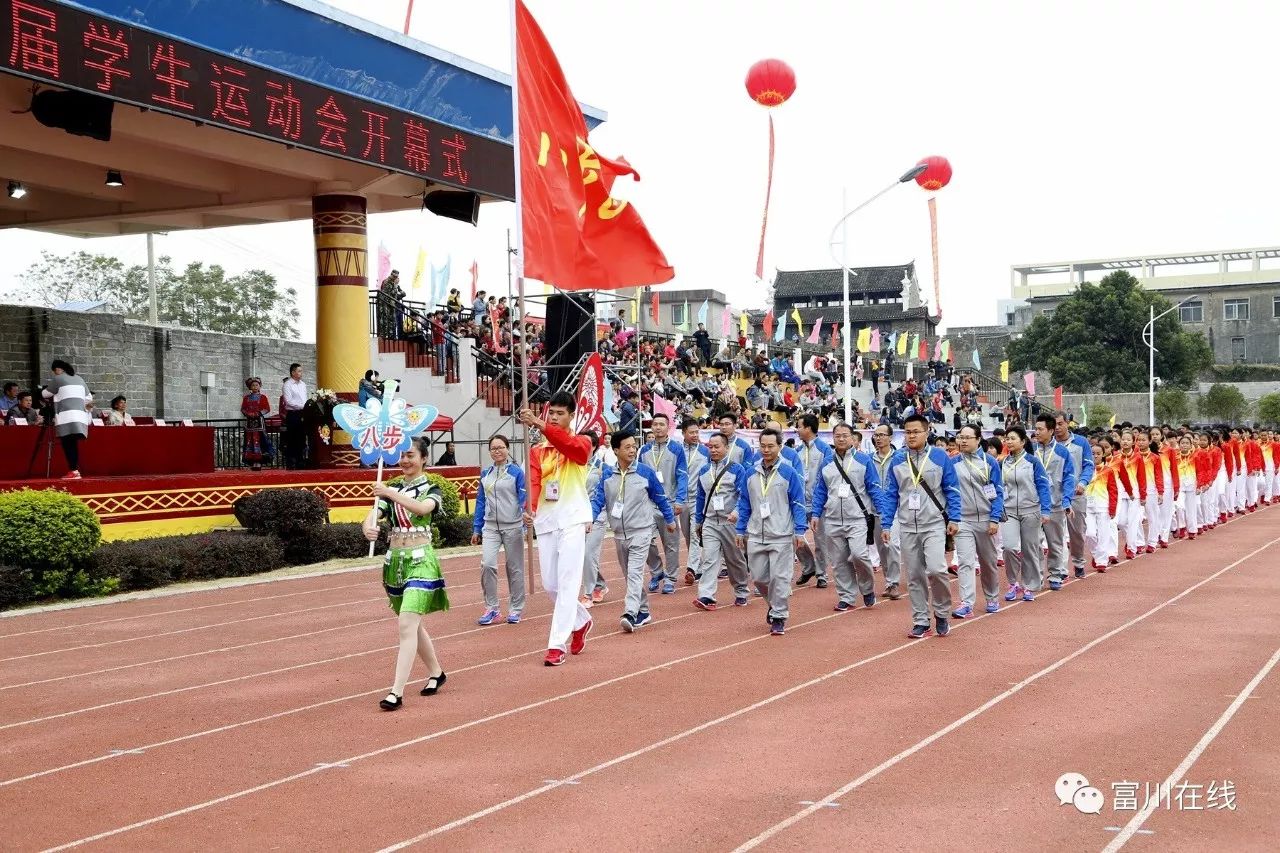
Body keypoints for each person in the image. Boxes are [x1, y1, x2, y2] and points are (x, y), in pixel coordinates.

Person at [362, 436, 448, 710]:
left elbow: (423, 509)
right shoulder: (393, 488)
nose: (405, 460)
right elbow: (375, 513)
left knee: (407, 624)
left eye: (410, 455)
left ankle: (396, 692)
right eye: (401, 456)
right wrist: (368, 526)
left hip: (422, 561)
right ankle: (436, 672)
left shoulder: (431, 488)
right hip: (395, 563)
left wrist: (387, 492)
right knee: (412, 624)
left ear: (424, 458)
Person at [520, 392, 595, 667]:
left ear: (571, 415)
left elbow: (573, 448)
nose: (554, 418)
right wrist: (531, 509)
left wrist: (541, 425)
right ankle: (581, 620)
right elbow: (535, 481)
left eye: (560, 414)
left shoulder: (583, 441)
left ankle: (556, 644)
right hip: (548, 521)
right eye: (551, 413)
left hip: (574, 518)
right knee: (550, 585)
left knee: (567, 583)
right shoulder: (538, 450)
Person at [881, 414, 961, 638]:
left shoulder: (939, 456)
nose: (911, 435)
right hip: (907, 525)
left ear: (927, 432)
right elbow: (890, 495)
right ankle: (920, 620)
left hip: (933, 524)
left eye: (916, 431)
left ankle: (942, 612)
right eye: (907, 432)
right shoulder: (897, 459)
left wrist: (954, 518)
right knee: (915, 575)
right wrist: (886, 524)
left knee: (936, 569)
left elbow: (952, 488)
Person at [592, 431, 676, 632]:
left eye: (634, 446)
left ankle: (630, 612)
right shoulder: (607, 475)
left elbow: (660, 497)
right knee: (629, 574)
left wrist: (670, 519)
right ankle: (644, 611)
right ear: (616, 450)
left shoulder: (645, 472)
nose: (632, 450)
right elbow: (598, 500)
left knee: (635, 572)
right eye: (627, 447)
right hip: (619, 534)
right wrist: (589, 520)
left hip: (642, 531)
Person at [735, 428, 806, 636]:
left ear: (779, 447)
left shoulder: (788, 472)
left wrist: (799, 531)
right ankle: (774, 605)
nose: (766, 450)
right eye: (762, 446)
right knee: (758, 578)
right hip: (756, 533)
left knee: (780, 578)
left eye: (770, 446)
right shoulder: (750, 472)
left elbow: (798, 503)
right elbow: (744, 503)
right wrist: (740, 529)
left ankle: (779, 615)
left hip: (781, 534)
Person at [812, 424, 884, 612]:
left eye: (845, 436)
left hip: (858, 518)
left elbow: (874, 488)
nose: (841, 439)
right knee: (839, 561)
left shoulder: (863, 460)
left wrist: (884, 513)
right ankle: (846, 596)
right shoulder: (827, 462)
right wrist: (815, 513)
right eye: (837, 436)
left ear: (853, 438)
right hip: (833, 518)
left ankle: (867, 588)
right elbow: (820, 490)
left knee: (859, 555)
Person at [472, 435, 527, 626]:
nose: (497, 451)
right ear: (489, 451)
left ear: (508, 449)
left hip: (512, 525)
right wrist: (476, 528)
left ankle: (516, 609)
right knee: (487, 565)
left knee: (515, 569)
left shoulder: (516, 473)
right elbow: (481, 501)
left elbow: (523, 496)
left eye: (501, 447)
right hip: (490, 527)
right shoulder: (485, 474)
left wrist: (525, 514)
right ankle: (492, 608)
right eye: (493, 448)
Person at [693, 432, 751, 610]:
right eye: (710, 447)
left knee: (735, 560)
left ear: (726, 448)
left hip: (730, 522)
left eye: (717, 446)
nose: (713, 450)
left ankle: (741, 590)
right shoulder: (703, 471)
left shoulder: (737, 469)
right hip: (710, 521)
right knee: (709, 559)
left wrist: (736, 512)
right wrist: (698, 520)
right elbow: (701, 497)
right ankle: (706, 596)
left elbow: (744, 495)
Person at [951, 424, 1005, 616]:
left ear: (978, 439)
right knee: (965, 561)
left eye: (967, 437)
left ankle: (991, 597)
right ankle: (966, 603)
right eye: (960, 437)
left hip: (985, 518)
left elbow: (997, 492)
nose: (962, 441)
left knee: (988, 562)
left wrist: (994, 518)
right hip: (963, 520)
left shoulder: (990, 462)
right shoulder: (953, 462)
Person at [1001, 426, 1053, 602]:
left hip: (1030, 510)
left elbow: (1043, 487)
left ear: (1023, 442)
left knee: (1029, 549)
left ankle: (1029, 585)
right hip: (1008, 511)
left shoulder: (1033, 462)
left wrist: (1045, 510)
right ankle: (1012, 583)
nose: (1009, 441)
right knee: (1009, 547)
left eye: (1013, 438)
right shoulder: (1002, 463)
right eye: (1007, 438)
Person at [640, 413, 688, 595]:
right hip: (649, 504)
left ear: (668, 427)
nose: (658, 427)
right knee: (645, 540)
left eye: (662, 424)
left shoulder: (676, 449)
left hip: (670, 503)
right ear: (651, 427)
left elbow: (682, 475)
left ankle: (671, 578)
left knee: (671, 544)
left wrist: (680, 500)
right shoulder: (644, 451)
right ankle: (657, 571)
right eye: (655, 424)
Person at [1032, 413, 1077, 591]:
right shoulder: (1030, 450)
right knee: (1033, 542)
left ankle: (1056, 574)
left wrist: (1066, 501)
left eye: (1040, 429)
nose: (1037, 432)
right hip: (1033, 504)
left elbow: (1068, 478)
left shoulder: (1062, 451)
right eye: (1035, 429)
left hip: (1055, 504)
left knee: (1055, 542)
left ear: (1051, 431)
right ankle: (1036, 575)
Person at [793, 414, 834, 588]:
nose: (797, 429)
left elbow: (827, 476)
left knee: (821, 540)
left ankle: (822, 573)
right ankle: (809, 566)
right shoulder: (797, 451)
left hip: (819, 502)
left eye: (799, 426)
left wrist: (821, 497)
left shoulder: (824, 449)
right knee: (794, 536)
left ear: (808, 428)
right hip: (800, 502)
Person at [1053, 414, 1093, 579]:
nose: (1057, 427)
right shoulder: (1049, 445)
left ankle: (1078, 561)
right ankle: (1061, 569)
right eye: (1054, 425)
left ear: (1067, 423)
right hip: (1055, 495)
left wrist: (1083, 482)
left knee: (1077, 532)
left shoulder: (1081, 442)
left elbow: (1089, 465)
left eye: (1060, 424)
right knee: (1057, 534)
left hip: (1076, 494)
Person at [868, 424, 903, 601]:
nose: (879, 438)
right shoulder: (868, 459)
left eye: (882, 435)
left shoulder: (899, 458)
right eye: (876, 435)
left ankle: (894, 582)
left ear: (890, 438)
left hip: (895, 510)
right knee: (882, 548)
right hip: (874, 511)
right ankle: (889, 581)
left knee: (893, 545)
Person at [42, 359, 92, 480]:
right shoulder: (79, 379)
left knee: (68, 444)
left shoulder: (58, 379)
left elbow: (44, 394)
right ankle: (75, 470)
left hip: (66, 416)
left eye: (54, 371)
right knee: (72, 443)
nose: (55, 374)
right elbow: (89, 397)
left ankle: (73, 471)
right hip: (80, 417)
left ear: (58, 369)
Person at [581, 433, 613, 605]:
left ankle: (589, 593)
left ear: (593, 447)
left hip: (597, 517)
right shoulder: (571, 466)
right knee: (581, 556)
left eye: (586, 444)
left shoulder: (603, 468)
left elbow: (609, 493)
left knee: (588, 554)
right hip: (576, 517)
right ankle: (599, 584)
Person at [679, 419, 710, 586]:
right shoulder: (677, 450)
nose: (695, 435)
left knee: (695, 533)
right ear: (684, 433)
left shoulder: (705, 451)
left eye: (697, 432)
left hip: (698, 499)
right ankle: (698, 566)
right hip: (681, 499)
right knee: (687, 534)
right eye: (691, 432)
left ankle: (691, 568)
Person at [241, 378, 272, 470]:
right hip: (249, 423)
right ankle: (251, 461)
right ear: (250, 387)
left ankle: (259, 461)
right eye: (253, 385)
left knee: (260, 440)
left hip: (259, 423)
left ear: (259, 386)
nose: (255, 387)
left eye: (256, 385)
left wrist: (258, 413)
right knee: (249, 441)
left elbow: (267, 408)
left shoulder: (263, 397)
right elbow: (243, 408)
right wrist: (247, 413)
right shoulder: (246, 398)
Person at [281, 363, 307, 469]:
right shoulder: (287, 385)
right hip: (293, 414)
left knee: (301, 438)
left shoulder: (303, 384)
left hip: (303, 413)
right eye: (299, 371)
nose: (301, 373)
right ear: (293, 372)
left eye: (301, 371)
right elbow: (288, 401)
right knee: (292, 439)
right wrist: (302, 406)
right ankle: (291, 462)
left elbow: (305, 398)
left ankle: (301, 462)